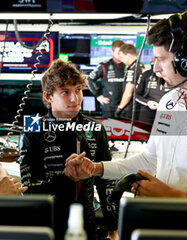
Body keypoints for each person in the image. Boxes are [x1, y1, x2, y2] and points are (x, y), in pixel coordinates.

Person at [65, 9, 187, 200]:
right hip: (158, 222)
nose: (156, 69)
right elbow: (150, 159)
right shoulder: (170, 101)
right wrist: (96, 168)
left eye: (160, 60)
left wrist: (176, 197)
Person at [18, 59, 117, 239]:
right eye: (65, 92)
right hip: (46, 225)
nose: (75, 98)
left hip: (87, 224)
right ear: (48, 96)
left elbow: (106, 181)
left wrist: (113, 227)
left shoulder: (95, 128)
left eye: (78, 90)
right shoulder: (32, 129)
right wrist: (66, 178)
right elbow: (28, 190)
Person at [87, 40, 125, 118]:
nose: (120, 55)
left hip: (126, 107)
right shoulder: (104, 65)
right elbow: (90, 79)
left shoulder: (129, 65)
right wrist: (98, 96)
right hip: (109, 106)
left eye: (122, 52)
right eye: (118, 53)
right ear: (112, 52)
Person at [114, 44, 144, 120]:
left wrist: (119, 108)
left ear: (128, 55)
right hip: (138, 108)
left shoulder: (133, 69)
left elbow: (128, 92)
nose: (121, 60)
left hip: (129, 110)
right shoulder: (141, 66)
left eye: (121, 57)